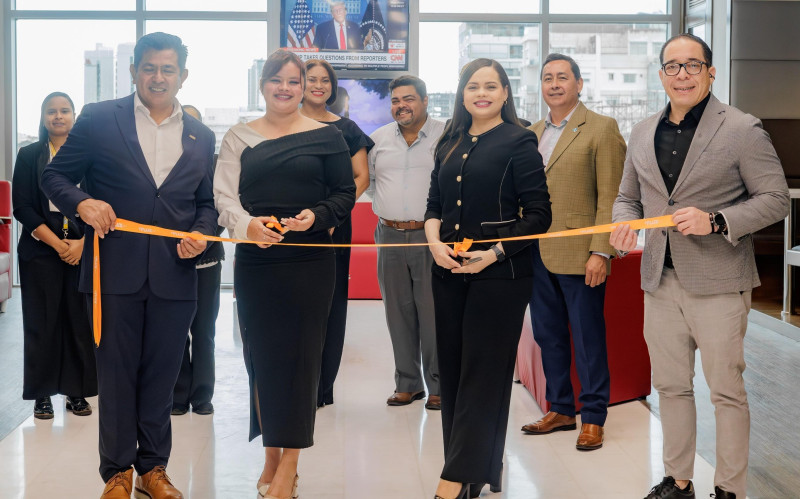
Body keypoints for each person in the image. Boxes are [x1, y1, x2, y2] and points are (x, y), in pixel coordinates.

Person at [609, 34, 789, 499]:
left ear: (711, 72)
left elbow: (775, 199)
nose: (682, 74)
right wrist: (624, 224)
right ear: (662, 75)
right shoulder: (643, 130)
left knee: (726, 392)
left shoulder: (742, 128)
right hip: (658, 278)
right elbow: (627, 197)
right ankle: (679, 480)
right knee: (671, 387)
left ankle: (729, 489)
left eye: (693, 65)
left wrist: (717, 220)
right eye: (672, 66)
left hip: (720, 281)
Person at [41, 32, 217, 499]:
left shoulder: (201, 135)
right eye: (149, 68)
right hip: (112, 273)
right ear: (135, 70)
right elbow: (54, 175)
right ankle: (116, 472)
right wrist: (82, 204)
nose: (158, 77)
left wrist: (200, 233)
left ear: (183, 75)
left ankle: (153, 469)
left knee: (162, 377)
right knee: (116, 375)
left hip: (175, 275)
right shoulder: (101, 119)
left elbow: (205, 203)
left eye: (168, 69)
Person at [214, 49, 355, 499]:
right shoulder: (239, 136)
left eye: (294, 81)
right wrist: (249, 226)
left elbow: (344, 194)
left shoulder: (328, 137)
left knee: (301, 361)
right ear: (263, 84)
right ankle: (272, 454)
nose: (285, 88)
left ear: (304, 87)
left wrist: (315, 217)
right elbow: (224, 197)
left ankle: (290, 463)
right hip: (256, 260)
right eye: (277, 80)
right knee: (261, 360)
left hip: (310, 261)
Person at [425, 58, 551, 499]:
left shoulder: (520, 140)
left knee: (484, 374)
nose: (482, 92)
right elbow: (434, 205)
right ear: (462, 93)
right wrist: (435, 243)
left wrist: (492, 253)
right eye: (473, 85)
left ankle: (456, 476)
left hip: (500, 276)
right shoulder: (450, 140)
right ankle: (480, 467)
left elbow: (539, 216)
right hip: (447, 271)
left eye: (491, 86)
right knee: (456, 371)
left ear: (504, 93)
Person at [520, 53, 626, 451]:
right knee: (548, 336)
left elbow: (611, 196)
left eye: (563, 77)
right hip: (536, 252)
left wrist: (602, 251)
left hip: (582, 255)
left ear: (579, 84)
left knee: (587, 338)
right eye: (547, 77)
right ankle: (561, 408)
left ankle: (594, 416)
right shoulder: (530, 133)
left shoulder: (601, 128)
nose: (554, 84)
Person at [12, 92, 97, 421]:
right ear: (44, 117)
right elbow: (22, 207)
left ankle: (76, 392)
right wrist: (55, 244)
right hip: (40, 251)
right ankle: (42, 395)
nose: (58, 117)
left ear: (74, 116)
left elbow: (102, 203)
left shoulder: (89, 156)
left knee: (77, 322)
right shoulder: (29, 154)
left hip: (80, 248)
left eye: (64, 111)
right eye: (52, 111)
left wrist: (80, 245)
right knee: (42, 323)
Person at [299, 58, 372, 408]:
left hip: (333, 228)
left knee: (330, 306)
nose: (318, 85)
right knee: (296, 308)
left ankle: (321, 388)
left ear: (332, 86)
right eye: (311, 79)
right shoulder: (285, 123)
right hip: (289, 228)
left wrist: (334, 212)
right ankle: (293, 384)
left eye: (324, 80)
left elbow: (362, 178)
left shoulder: (348, 128)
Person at [367, 75, 444, 410]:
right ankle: (407, 384)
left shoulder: (446, 136)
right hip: (389, 235)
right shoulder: (377, 140)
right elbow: (369, 183)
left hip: (432, 237)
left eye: (409, 99)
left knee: (433, 312)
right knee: (397, 311)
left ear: (425, 101)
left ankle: (440, 385)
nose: (402, 106)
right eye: (396, 100)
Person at [171, 104, 225, 417]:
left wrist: (199, 240)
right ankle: (178, 396)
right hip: (171, 259)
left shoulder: (216, 163)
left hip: (206, 261)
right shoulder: (163, 162)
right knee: (176, 331)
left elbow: (219, 208)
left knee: (204, 331)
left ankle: (202, 395)